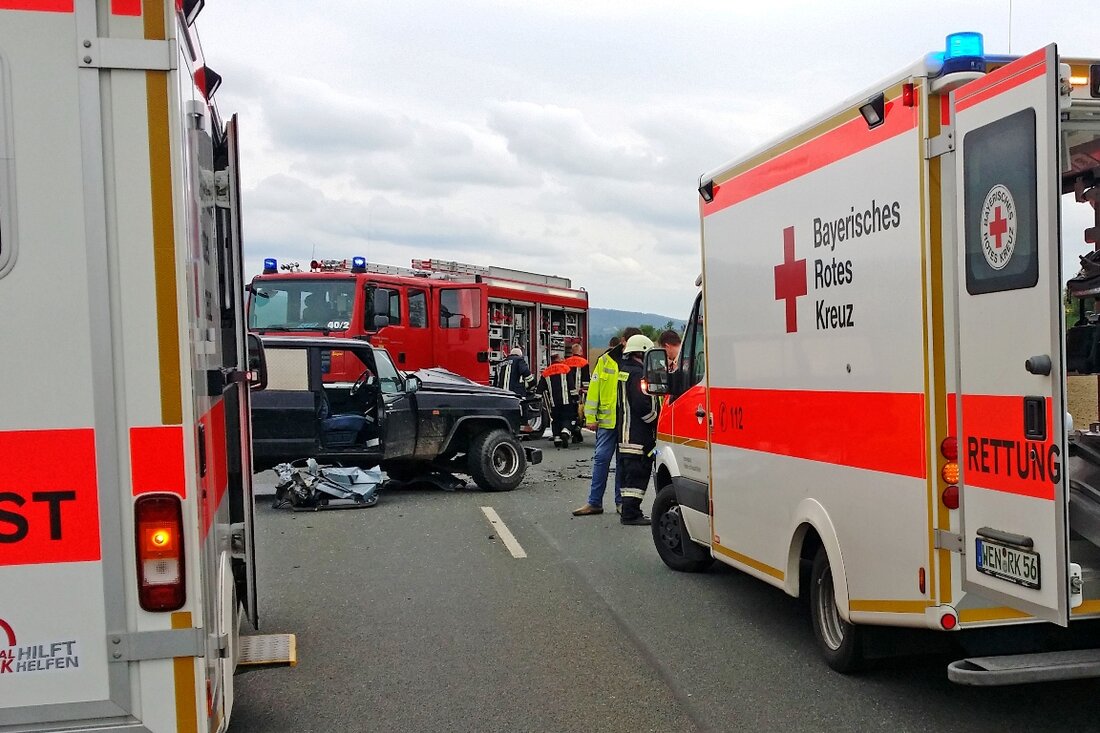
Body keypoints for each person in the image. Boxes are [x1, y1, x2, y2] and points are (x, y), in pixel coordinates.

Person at [573, 328, 642, 516]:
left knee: (623, 463)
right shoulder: (605, 360)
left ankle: (621, 503)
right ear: (623, 341)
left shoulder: (638, 360)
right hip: (607, 422)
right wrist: (590, 417)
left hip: (627, 423)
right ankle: (594, 502)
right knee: (602, 459)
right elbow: (594, 389)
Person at [616, 333, 659, 525]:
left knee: (628, 476)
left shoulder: (624, 370)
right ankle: (631, 514)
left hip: (625, 434)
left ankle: (628, 511)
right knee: (638, 474)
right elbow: (641, 404)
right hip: (637, 434)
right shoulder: (637, 374)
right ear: (641, 354)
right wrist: (656, 421)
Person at [537, 353, 575, 448]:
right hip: (566, 400)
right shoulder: (566, 369)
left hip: (554, 402)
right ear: (558, 359)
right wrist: (575, 397)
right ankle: (565, 432)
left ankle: (557, 437)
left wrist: (536, 399)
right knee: (567, 417)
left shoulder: (546, 372)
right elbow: (571, 385)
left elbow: (540, 389)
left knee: (556, 419)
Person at [564, 342, 589, 444]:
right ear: (580, 351)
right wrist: (586, 391)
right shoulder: (584, 362)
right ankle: (577, 431)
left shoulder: (566, 362)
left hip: (568, 393)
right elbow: (586, 379)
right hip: (580, 392)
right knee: (580, 414)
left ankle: (570, 429)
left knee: (570, 412)